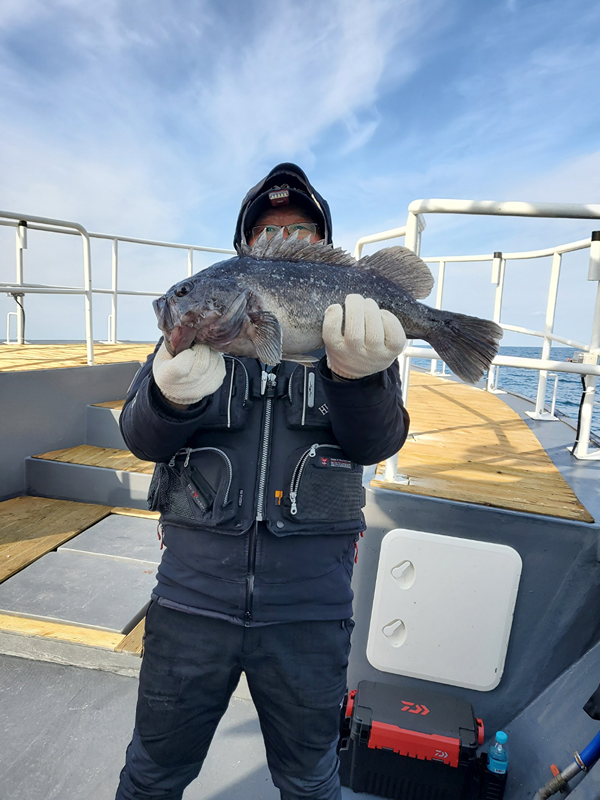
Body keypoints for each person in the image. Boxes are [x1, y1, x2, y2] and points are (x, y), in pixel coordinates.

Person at [115, 163, 410, 800]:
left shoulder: (355, 333)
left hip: (311, 608)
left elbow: (380, 442)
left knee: (309, 781)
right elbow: (140, 438)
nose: (285, 240)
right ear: (244, 252)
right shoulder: (192, 340)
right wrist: (170, 396)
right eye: (267, 235)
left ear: (323, 245)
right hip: (191, 600)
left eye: (303, 232)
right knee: (152, 776)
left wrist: (357, 378)